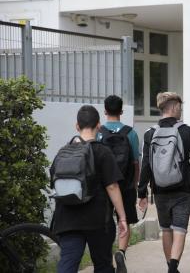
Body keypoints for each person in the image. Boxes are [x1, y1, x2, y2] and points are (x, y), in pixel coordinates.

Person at [138, 92, 190, 273]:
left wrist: (142, 192)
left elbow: (146, 164)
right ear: (172, 107)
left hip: (159, 190)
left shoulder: (150, 133)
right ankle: (173, 266)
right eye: (179, 106)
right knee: (180, 229)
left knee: (166, 229)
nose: (180, 110)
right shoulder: (185, 131)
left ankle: (169, 266)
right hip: (183, 189)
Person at [52, 105, 128, 273]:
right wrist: (122, 218)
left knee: (68, 264)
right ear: (99, 125)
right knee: (102, 264)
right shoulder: (103, 152)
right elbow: (113, 186)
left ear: (77, 126)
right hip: (97, 220)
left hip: (67, 219)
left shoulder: (62, 153)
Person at [98, 95, 140, 273]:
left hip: (104, 186)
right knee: (125, 222)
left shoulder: (99, 132)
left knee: (104, 223)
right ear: (121, 111)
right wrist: (135, 184)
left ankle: (106, 257)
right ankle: (121, 252)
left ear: (105, 111)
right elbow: (136, 163)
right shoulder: (130, 133)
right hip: (126, 185)